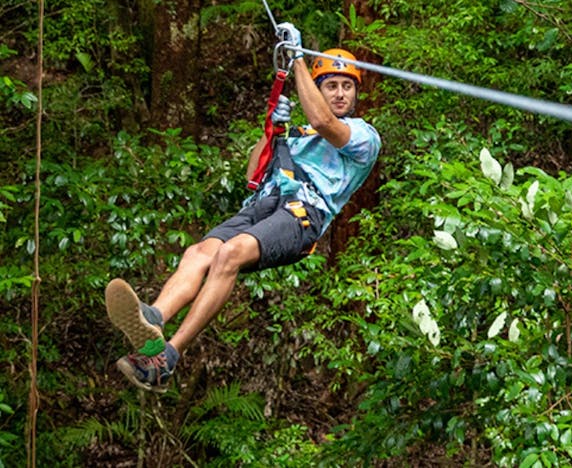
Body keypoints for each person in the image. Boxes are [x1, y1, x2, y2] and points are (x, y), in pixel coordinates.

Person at [105, 26, 381, 392]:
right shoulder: (297, 135)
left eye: (347, 86)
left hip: (303, 214)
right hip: (265, 204)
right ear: (319, 89)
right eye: (331, 85)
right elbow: (253, 175)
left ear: (356, 94)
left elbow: (323, 122)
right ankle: (154, 317)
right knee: (200, 251)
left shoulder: (364, 137)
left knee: (230, 254)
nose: (341, 93)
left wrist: (297, 58)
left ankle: (169, 356)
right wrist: (273, 129)